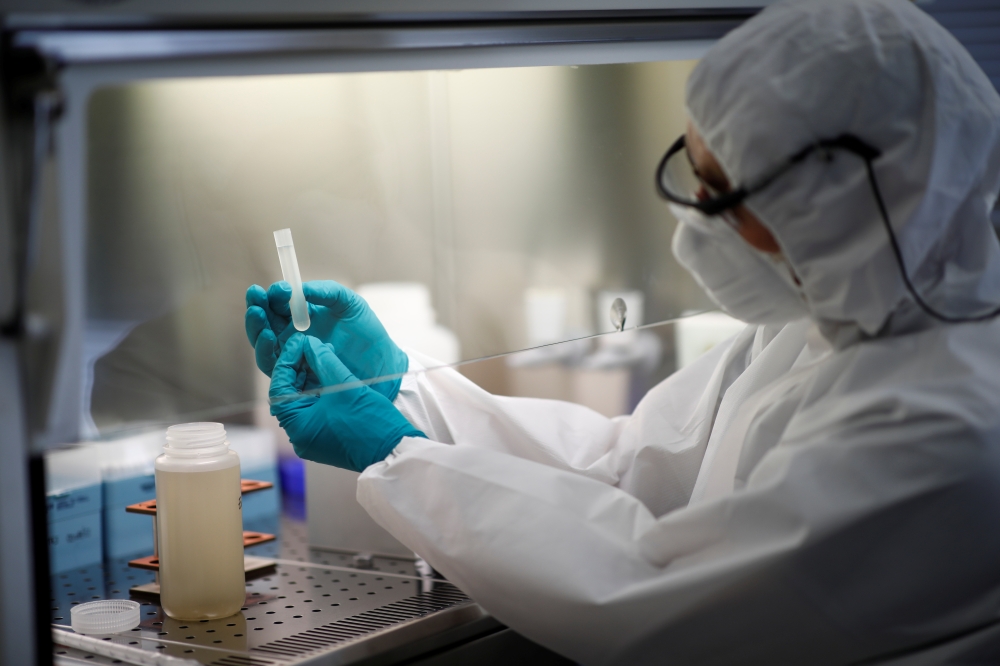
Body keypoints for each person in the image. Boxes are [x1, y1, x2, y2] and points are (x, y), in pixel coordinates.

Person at [244, 0, 1000, 663]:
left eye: (722, 195)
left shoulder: (943, 422)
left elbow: (653, 595)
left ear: (840, 208)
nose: (695, 223)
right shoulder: (824, 320)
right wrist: (405, 387)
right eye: (694, 172)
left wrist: (393, 454)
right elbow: (627, 467)